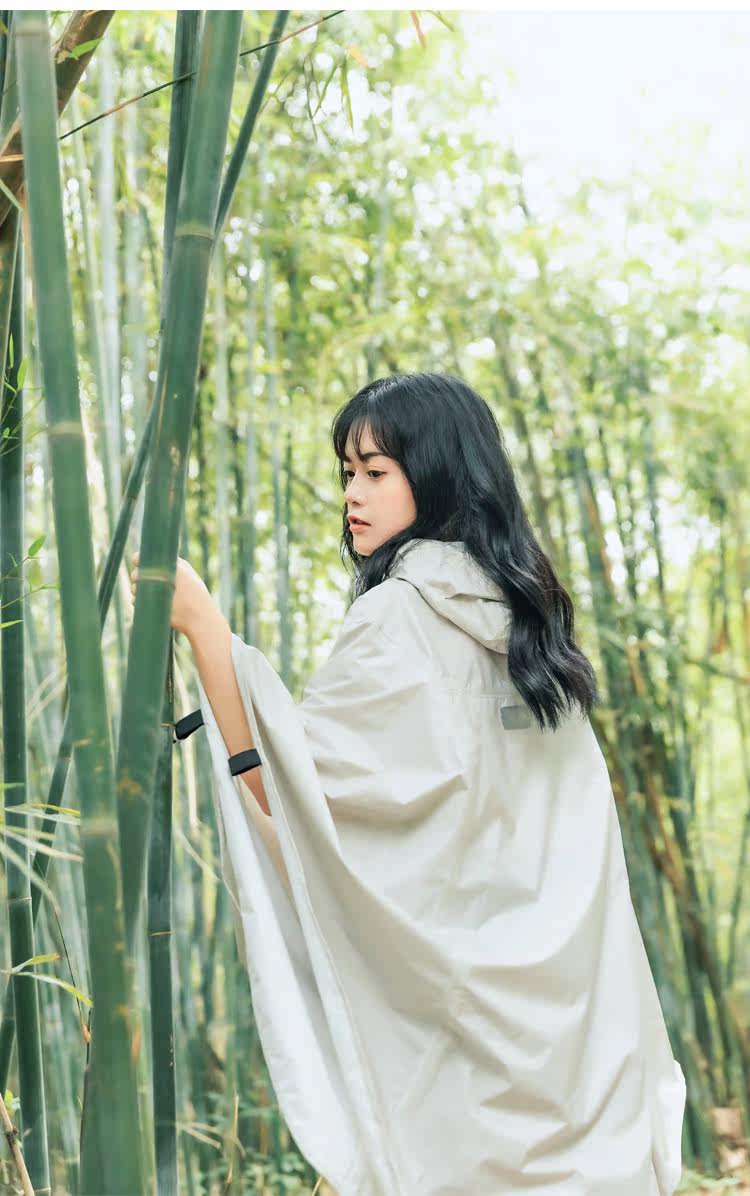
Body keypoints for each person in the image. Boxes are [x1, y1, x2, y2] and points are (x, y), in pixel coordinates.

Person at [130, 371, 686, 1196]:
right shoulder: (535, 632)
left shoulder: (400, 616)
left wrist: (205, 627)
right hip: (571, 1041)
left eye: (376, 471)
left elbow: (297, 799)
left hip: (461, 1046)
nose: (352, 495)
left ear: (437, 475)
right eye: (347, 473)